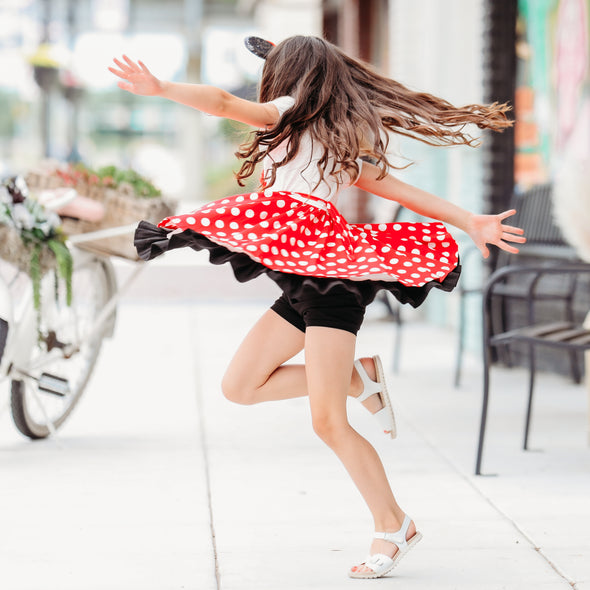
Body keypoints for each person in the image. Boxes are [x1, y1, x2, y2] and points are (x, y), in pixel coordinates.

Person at [109, 35, 525, 579]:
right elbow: (400, 191)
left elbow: (224, 103)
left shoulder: (287, 116)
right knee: (240, 386)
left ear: (288, 79)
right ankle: (360, 378)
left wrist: (162, 89)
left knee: (327, 422)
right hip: (304, 285)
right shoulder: (330, 136)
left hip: (330, 290)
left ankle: (393, 524)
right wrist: (469, 219)